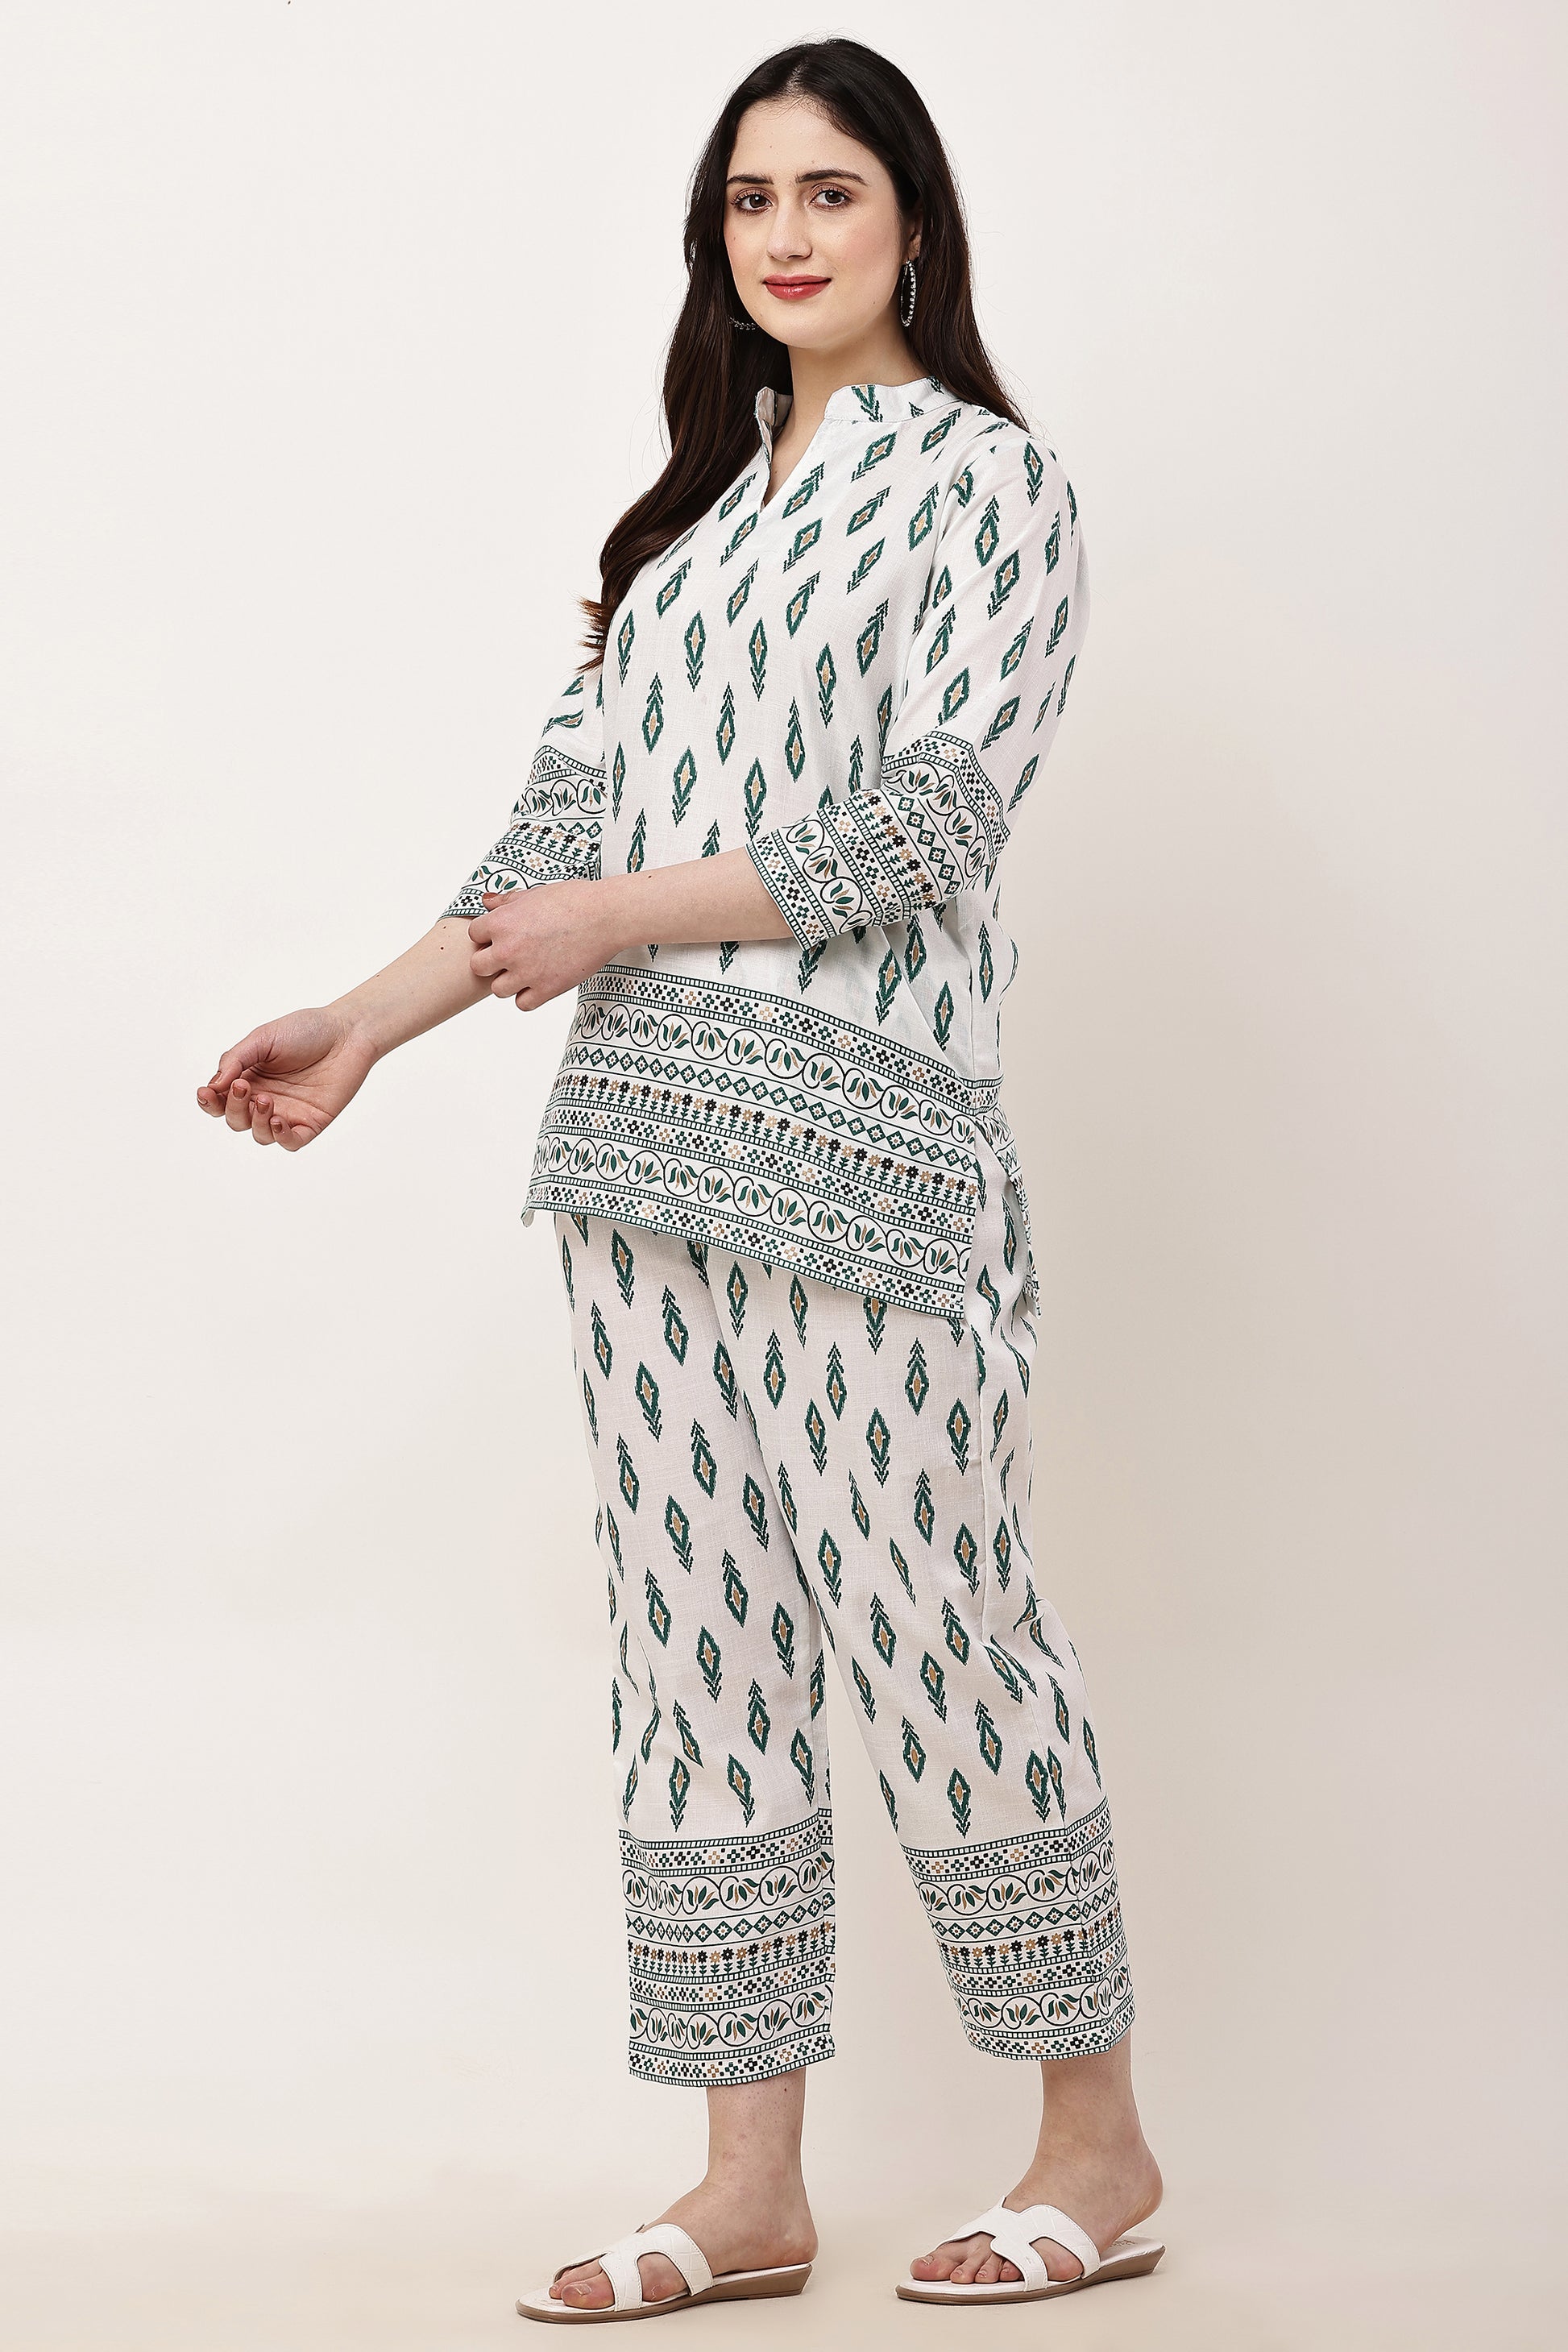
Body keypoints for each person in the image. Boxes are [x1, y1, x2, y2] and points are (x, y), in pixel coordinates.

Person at [197, 35, 1164, 2322]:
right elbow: (553, 839)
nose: (787, 234)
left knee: (938, 1631)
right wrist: (363, 1020)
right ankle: (747, 2189)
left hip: (864, 1162)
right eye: (750, 199)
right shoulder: (688, 530)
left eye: (831, 191)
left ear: (912, 223)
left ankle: (1095, 2146)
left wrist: (619, 917)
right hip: (636, 1164)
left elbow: (932, 817)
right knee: (696, 1653)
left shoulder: (985, 483)